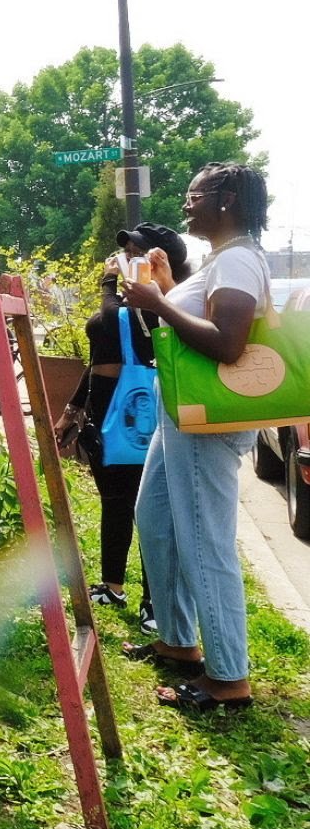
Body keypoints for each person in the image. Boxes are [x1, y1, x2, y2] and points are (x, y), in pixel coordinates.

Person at [123, 162, 270, 712]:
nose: (186, 206)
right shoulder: (222, 260)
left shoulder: (237, 260)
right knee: (156, 520)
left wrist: (159, 303)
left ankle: (228, 677)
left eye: (194, 196)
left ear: (227, 199)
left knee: (205, 541)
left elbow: (228, 342)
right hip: (181, 413)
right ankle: (179, 641)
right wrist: (165, 291)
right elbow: (193, 320)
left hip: (208, 422)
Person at [53, 223, 190, 634]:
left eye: (137, 252)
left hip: (147, 416)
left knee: (151, 511)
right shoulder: (133, 299)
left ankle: (154, 602)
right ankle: (112, 585)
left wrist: (109, 284)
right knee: (115, 500)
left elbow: (110, 323)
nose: (127, 257)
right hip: (108, 413)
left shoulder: (166, 300)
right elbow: (101, 356)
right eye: (126, 251)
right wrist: (74, 408)